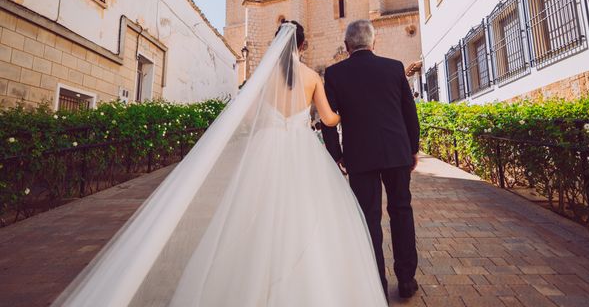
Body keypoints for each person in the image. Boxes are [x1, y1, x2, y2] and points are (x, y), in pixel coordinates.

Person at [54, 21, 387, 307]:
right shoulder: (312, 77)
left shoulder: (263, 78)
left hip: (266, 149)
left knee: (255, 214)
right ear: (303, 45)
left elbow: (250, 117)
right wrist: (351, 111)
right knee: (304, 213)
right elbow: (329, 119)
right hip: (302, 152)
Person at [322, 19, 420, 299]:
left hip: (359, 156)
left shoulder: (334, 74)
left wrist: (337, 155)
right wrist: (412, 148)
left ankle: (376, 281)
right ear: (373, 42)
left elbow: (328, 122)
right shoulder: (393, 68)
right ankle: (406, 280)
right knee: (402, 211)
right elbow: (408, 112)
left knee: (368, 218)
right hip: (396, 151)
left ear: (346, 46)